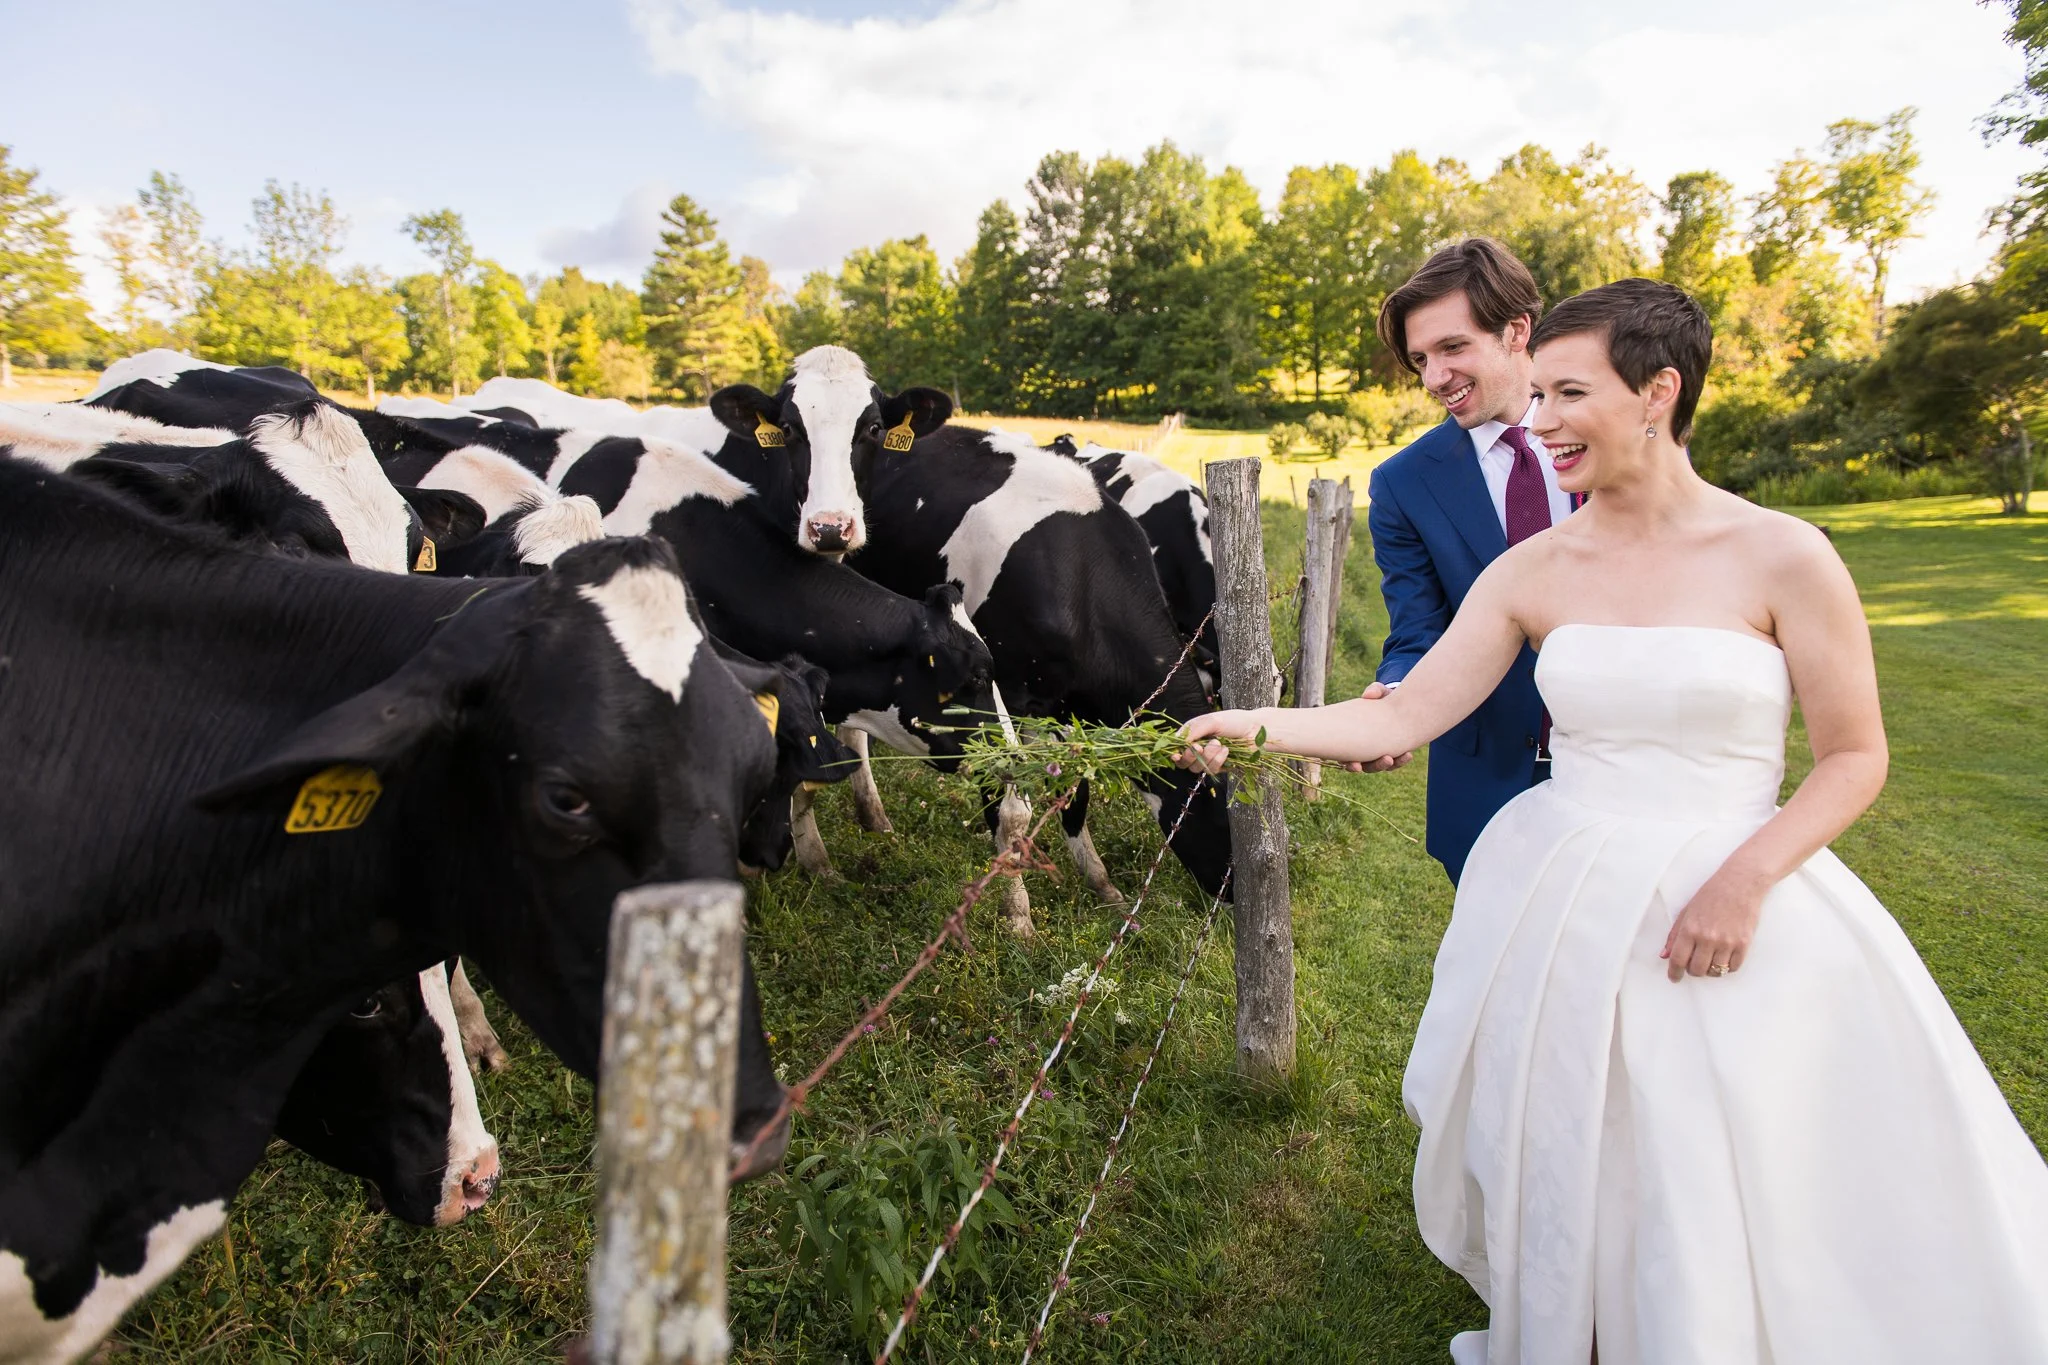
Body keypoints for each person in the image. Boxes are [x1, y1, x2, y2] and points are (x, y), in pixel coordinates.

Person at [1183, 279, 2048, 1363]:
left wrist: (1742, 881)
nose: (1535, 420)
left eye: (1564, 393)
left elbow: (1853, 757)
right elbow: (1401, 715)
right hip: (1566, 896)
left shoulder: (1784, 554)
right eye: (1533, 392)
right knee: (1586, 1138)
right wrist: (1245, 722)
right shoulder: (1533, 570)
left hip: (1738, 891)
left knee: (1733, 1147)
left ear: (1657, 391)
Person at [1364, 237, 1579, 885]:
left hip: (1622, 764)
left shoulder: (1608, 440)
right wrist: (1402, 696)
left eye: (1452, 348)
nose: (1433, 378)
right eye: (1421, 359)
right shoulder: (1402, 483)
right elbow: (1417, 628)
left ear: (1517, 331)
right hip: (1486, 778)